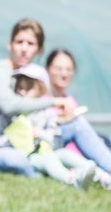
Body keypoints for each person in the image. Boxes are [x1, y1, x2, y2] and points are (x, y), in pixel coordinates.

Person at [0, 18, 75, 176]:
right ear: (10, 44)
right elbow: (10, 107)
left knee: (76, 125)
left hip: (20, 144)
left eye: (30, 44)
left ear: (39, 50)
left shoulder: (29, 76)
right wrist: (53, 102)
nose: (24, 48)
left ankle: (104, 172)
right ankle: (58, 176)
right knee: (17, 160)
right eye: (19, 42)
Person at [0, 64, 98, 190]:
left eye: (28, 87)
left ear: (40, 89)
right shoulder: (10, 114)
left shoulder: (47, 113)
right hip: (28, 157)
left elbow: (55, 140)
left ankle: (99, 176)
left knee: (64, 154)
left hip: (47, 151)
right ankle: (71, 180)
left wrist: (41, 135)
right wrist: (14, 139)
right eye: (18, 87)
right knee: (47, 161)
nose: (22, 91)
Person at [47, 48, 111, 179]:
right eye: (59, 68)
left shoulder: (70, 100)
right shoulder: (41, 98)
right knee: (78, 124)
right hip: (52, 145)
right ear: (48, 69)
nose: (64, 74)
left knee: (103, 138)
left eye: (69, 69)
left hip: (75, 152)